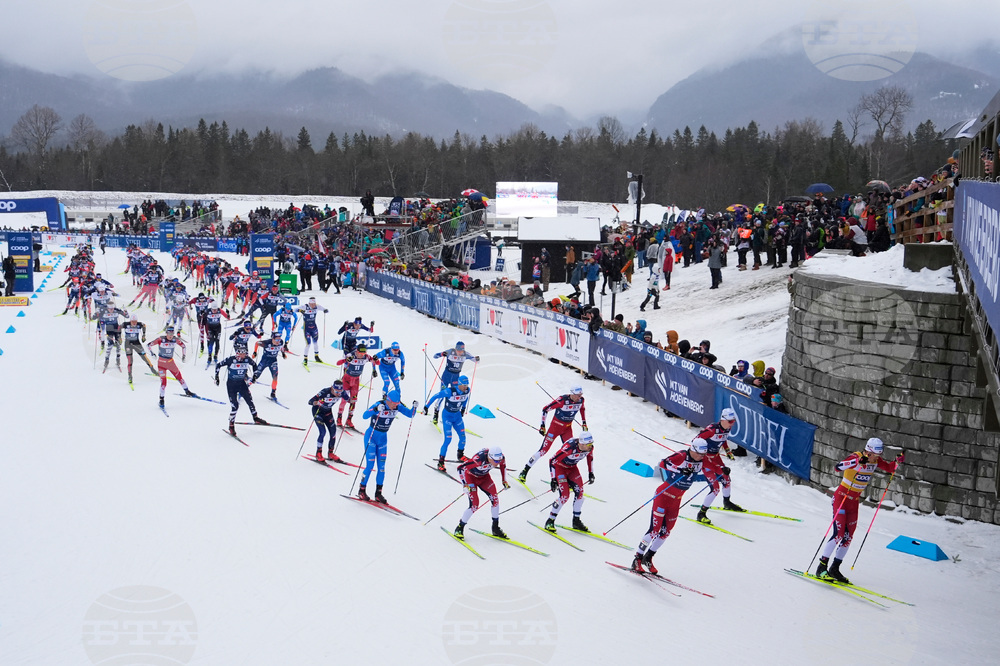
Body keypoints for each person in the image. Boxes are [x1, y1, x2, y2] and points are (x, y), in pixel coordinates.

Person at [816, 438, 904, 584]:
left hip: (853, 502)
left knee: (848, 536)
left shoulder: (875, 461)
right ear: (868, 451)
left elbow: (889, 468)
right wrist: (856, 462)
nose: (877, 457)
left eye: (879, 454)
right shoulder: (855, 456)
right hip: (841, 498)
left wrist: (897, 461)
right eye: (875, 454)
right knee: (838, 534)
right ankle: (821, 568)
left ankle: (835, 568)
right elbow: (838, 467)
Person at [631, 436, 709, 574]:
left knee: (666, 532)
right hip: (663, 496)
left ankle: (648, 557)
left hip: (676, 500)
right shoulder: (681, 456)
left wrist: (722, 472)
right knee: (654, 530)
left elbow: (709, 470)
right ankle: (637, 559)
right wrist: (679, 470)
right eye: (699, 454)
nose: (701, 457)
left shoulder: (701, 460)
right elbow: (663, 464)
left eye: (704, 454)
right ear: (693, 449)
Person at [358, 390, 417, 503]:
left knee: (382, 467)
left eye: (397, 403)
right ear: (388, 401)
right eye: (394, 403)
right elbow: (364, 415)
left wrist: (414, 407)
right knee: (370, 465)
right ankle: (361, 490)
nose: (396, 406)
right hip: (371, 437)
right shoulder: (379, 404)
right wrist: (375, 409)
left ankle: (378, 493)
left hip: (382, 440)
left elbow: (410, 414)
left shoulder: (397, 406)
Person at [518, 386, 587, 482]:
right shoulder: (562, 400)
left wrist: (584, 423)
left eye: (580, 395)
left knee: (570, 451)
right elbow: (545, 409)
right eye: (577, 395)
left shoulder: (581, 400)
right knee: (543, 451)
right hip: (554, 429)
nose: (579, 397)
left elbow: (582, 409)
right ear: (572, 393)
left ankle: (566, 478)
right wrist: (542, 426)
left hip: (567, 430)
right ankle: (524, 471)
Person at [694, 408, 746, 524]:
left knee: (726, 479)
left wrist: (727, 450)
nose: (732, 424)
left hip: (716, 457)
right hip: (706, 459)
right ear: (723, 419)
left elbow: (723, 439)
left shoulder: (727, 428)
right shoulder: (712, 430)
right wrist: (698, 453)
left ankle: (727, 502)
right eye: (730, 421)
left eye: (733, 421)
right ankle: (701, 513)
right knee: (715, 488)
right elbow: (695, 441)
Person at [454, 446, 510, 540]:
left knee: (495, 500)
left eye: (499, 460)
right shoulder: (478, 460)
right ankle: (459, 528)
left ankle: (495, 528)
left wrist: (504, 481)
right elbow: (460, 468)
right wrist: (465, 485)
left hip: (484, 478)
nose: (497, 463)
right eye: (495, 461)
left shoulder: (500, 457)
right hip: (470, 478)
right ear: (489, 457)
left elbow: (503, 466)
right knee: (474, 505)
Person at [544, 432, 595, 533]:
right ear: (582, 444)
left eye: (591, 444)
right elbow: (552, 460)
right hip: (560, 468)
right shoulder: (569, 448)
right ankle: (550, 521)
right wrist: (553, 479)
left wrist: (591, 473)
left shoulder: (589, 448)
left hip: (572, 469)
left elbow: (590, 458)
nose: (591, 446)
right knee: (564, 495)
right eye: (589, 444)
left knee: (580, 493)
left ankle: (576, 521)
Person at [215, 348, 267, 435]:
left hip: (241, 384)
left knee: (249, 400)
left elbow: (254, 365)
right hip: (231, 385)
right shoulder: (231, 359)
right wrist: (217, 377)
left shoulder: (247, 359)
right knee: (235, 406)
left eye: (245, 354)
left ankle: (255, 417)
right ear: (237, 353)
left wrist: (254, 376)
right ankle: (231, 425)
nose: (243, 355)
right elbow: (218, 365)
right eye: (241, 354)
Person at [425, 375, 472, 468]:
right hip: (447, 417)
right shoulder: (450, 391)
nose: (465, 387)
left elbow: (465, 398)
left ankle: (460, 455)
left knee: (463, 437)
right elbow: (436, 396)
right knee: (448, 440)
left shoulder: (467, 390)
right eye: (464, 385)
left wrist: (463, 408)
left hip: (457, 417)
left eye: (467, 385)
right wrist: (426, 407)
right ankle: (441, 462)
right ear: (459, 384)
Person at [429, 341, 480, 420]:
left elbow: (476, 361)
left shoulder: (465, 354)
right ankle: (436, 413)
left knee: (456, 395)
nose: (460, 353)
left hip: (456, 378)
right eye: (459, 351)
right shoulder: (450, 352)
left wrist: (477, 359)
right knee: (442, 395)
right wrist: (442, 354)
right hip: (446, 376)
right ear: (456, 349)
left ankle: (452, 415)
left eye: (462, 351)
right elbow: (435, 356)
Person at [147, 325, 194, 408]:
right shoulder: (161, 339)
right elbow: (148, 345)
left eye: (172, 333)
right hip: (161, 364)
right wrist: (152, 354)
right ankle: (161, 400)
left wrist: (183, 356)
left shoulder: (175, 340)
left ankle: (187, 391)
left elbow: (183, 346)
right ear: (166, 333)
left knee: (179, 377)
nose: (170, 335)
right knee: (164, 382)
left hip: (170, 363)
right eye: (169, 333)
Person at [308, 379, 351, 462]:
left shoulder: (342, 392)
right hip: (318, 412)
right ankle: (318, 453)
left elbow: (349, 400)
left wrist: (353, 399)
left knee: (333, 433)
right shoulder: (325, 392)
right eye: (336, 391)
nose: (338, 394)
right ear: (332, 388)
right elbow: (310, 401)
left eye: (340, 392)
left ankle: (330, 453)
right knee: (322, 432)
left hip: (327, 412)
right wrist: (317, 402)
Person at [335, 344, 377, 428]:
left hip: (356, 382)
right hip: (346, 380)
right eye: (360, 353)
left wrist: (374, 369)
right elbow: (338, 363)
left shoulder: (366, 357)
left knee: (353, 401)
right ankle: (339, 418)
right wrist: (346, 360)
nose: (362, 355)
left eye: (364, 353)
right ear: (357, 351)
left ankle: (349, 419)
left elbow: (375, 362)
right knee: (344, 400)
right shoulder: (351, 355)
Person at [251, 331, 287, 400]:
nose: (278, 341)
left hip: (273, 361)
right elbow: (257, 343)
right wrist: (255, 352)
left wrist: (283, 353)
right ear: (272, 339)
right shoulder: (266, 343)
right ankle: (244, 389)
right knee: (255, 377)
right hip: (264, 361)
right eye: (276, 340)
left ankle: (273, 393)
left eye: (279, 339)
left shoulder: (281, 342)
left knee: (275, 377)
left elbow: (281, 347)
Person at [122, 312, 156, 383]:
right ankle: (130, 376)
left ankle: (153, 370)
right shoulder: (126, 324)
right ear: (130, 321)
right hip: (128, 344)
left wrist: (144, 335)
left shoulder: (139, 324)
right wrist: (118, 336)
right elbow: (118, 327)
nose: (134, 323)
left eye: (135, 321)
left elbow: (144, 325)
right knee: (130, 361)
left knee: (144, 356)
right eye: (133, 321)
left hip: (137, 343)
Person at [297, 297, 328, 366]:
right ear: (309, 303)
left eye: (314, 304)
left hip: (314, 328)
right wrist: (300, 310)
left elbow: (325, 310)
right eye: (312, 304)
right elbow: (294, 309)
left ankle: (316, 357)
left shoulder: (317, 306)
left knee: (315, 343)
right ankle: (305, 359)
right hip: (307, 328)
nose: (313, 305)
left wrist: (325, 310)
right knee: (308, 344)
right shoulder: (305, 306)